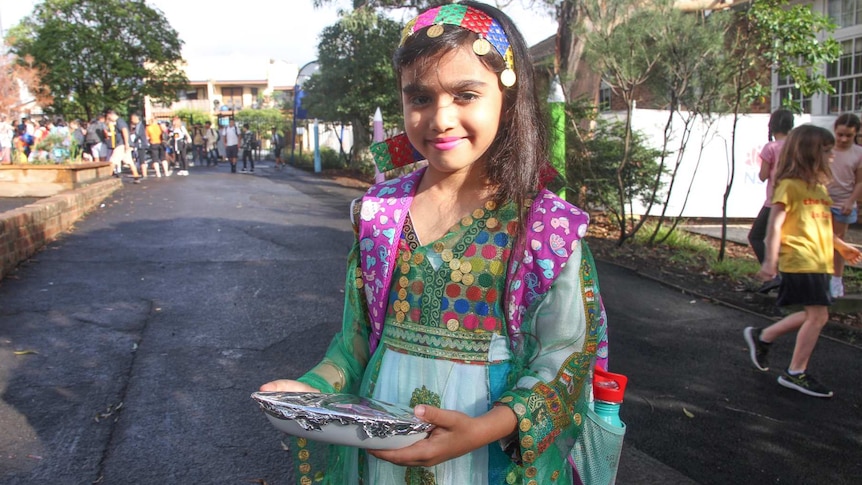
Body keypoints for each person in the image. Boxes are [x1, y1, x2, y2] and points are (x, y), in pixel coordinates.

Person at [259, 3, 608, 484]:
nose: (440, 118)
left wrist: (484, 428)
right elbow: (356, 344)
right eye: (420, 97)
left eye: (466, 94)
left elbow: (565, 358)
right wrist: (312, 389)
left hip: (488, 457)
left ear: (508, 98)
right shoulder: (378, 215)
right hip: (386, 450)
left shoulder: (544, 226)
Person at [745, 125, 862, 398]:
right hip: (800, 259)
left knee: (814, 315)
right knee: (819, 316)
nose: (832, 155)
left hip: (819, 261)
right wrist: (770, 261)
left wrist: (841, 246)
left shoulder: (819, 188)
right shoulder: (789, 186)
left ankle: (763, 337)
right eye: (827, 151)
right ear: (811, 153)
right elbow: (774, 226)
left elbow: (820, 227)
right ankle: (795, 372)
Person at [748, 109, 794, 293]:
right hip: (794, 200)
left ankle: (773, 274)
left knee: (756, 236)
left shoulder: (771, 147)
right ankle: (787, 278)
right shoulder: (795, 146)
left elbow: (763, 175)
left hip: (774, 200)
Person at [826, 113, 862, 298]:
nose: (843, 139)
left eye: (848, 135)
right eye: (840, 134)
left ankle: (836, 280)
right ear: (835, 130)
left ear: (855, 134)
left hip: (843, 203)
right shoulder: (826, 148)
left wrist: (851, 201)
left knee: (838, 243)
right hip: (822, 201)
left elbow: (859, 182)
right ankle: (821, 277)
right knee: (821, 240)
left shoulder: (858, 153)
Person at [104, 109, 141, 183]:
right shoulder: (119, 121)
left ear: (111, 115)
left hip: (121, 144)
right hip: (124, 144)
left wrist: (126, 143)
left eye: (108, 116)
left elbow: (124, 131)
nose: (108, 118)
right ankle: (136, 176)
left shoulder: (119, 121)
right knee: (129, 161)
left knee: (112, 160)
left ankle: (107, 177)